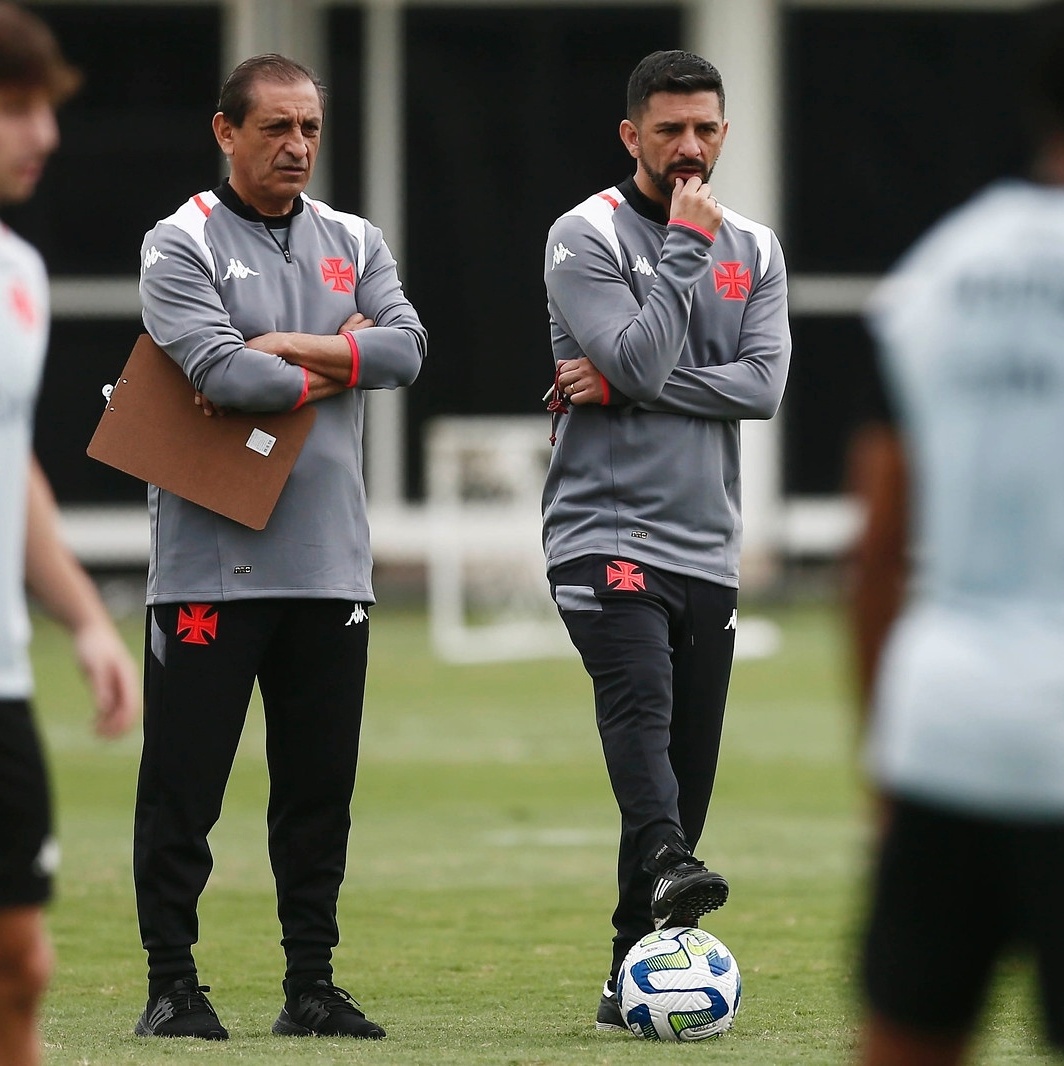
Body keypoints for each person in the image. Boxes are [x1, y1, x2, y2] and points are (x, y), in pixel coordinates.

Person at [132, 54, 426, 1042]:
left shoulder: (354, 236)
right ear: (226, 132)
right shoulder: (181, 241)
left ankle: (312, 985)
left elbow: (407, 348)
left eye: (308, 128)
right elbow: (221, 374)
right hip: (210, 566)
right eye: (274, 128)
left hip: (329, 564)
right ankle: (171, 983)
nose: (297, 146)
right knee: (184, 787)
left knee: (315, 796)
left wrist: (291, 351)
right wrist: (343, 352)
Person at [541, 49, 790, 1031]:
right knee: (639, 710)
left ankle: (625, 975)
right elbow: (642, 352)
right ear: (629, 135)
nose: (688, 148)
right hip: (600, 528)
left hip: (704, 544)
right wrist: (677, 264)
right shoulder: (583, 235)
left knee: (682, 771)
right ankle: (667, 865)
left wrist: (629, 381)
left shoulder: (756, 250)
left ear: (724, 131)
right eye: (668, 130)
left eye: (704, 129)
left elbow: (760, 388)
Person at [849, 4, 1064, 1062]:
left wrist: (881, 761)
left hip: (951, 728)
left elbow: (877, 547)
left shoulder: (940, 271)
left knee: (906, 1036)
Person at [0, 5, 141, 1064]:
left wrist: (87, 620)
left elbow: (13, 469)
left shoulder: (22, 276)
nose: (41, 136)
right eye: (15, 110)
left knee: (23, 963)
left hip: (2, 678)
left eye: (44, 111)